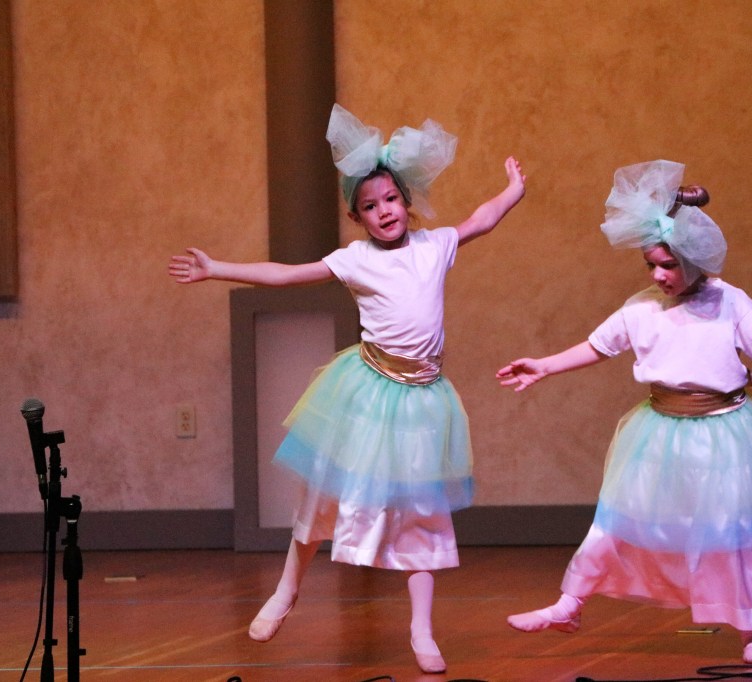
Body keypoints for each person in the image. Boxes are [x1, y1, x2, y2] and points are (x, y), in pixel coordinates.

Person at [169, 103, 526, 674]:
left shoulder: (435, 246)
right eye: (370, 206)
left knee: (422, 512)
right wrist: (219, 269)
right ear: (357, 217)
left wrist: (511, 191)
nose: (384, 211)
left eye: (391, 199)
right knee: (324, 496)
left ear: (406, 201)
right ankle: (286, 590)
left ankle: (422, 630)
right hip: (369, 391)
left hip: (422, 400)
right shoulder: (355, 260)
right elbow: (287, 275)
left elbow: (481, 221)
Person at [496, 159, 752, 665]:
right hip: (659, 430)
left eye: (669, 265)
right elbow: (597, 345)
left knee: (739, 535)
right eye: (651, 264)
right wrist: (544, 365)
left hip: (725, 432)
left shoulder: (730, 302)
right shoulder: (641, 307)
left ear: (697, 260)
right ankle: (569, 604)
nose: (659, 275)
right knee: (617, 519)